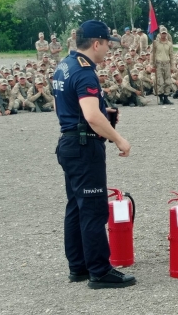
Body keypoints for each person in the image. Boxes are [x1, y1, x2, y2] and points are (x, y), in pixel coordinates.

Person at [52, 19, 135, 289]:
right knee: (93, 210)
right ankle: (100, 270)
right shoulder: (85, 71)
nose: (108, 50)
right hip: (84, 146)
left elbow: (62, 105)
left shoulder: (64, 65)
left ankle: (79, 266)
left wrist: (98, 116)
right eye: (107, 44)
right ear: (96, 43)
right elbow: (90, 115)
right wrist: (118, 139)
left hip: (69, 141)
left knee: (76, 207)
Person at [151, 27, 174, 105]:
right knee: (160, 81)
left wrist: (172, 66)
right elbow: (152, 55)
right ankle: (160, 97)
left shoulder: (169, 44)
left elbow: (171, 55)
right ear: (160, 34)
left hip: (167, 63)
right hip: (158, 64)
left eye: (165, 33)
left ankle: (166, 97)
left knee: (168, 81)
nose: (163, 35)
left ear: (166, 34)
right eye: (162, 33)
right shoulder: (155, 43)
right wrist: (152, 65)